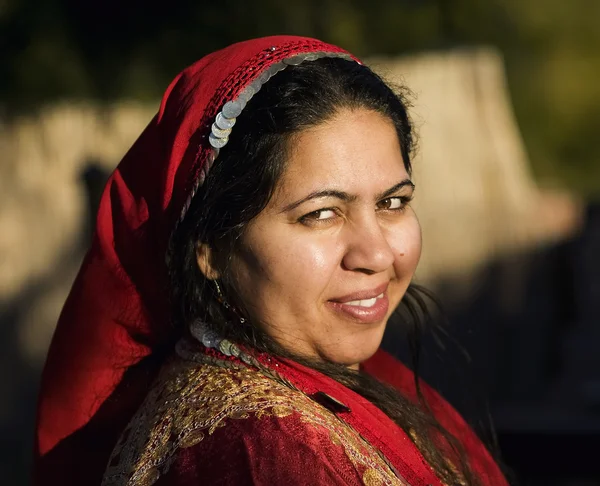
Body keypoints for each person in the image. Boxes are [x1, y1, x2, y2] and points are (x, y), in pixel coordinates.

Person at [34, 35, 509, 486]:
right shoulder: (265, 454)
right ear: (211, 249)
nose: (377, 254)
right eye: (320, 214)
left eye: (393, 203)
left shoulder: (325, 391)